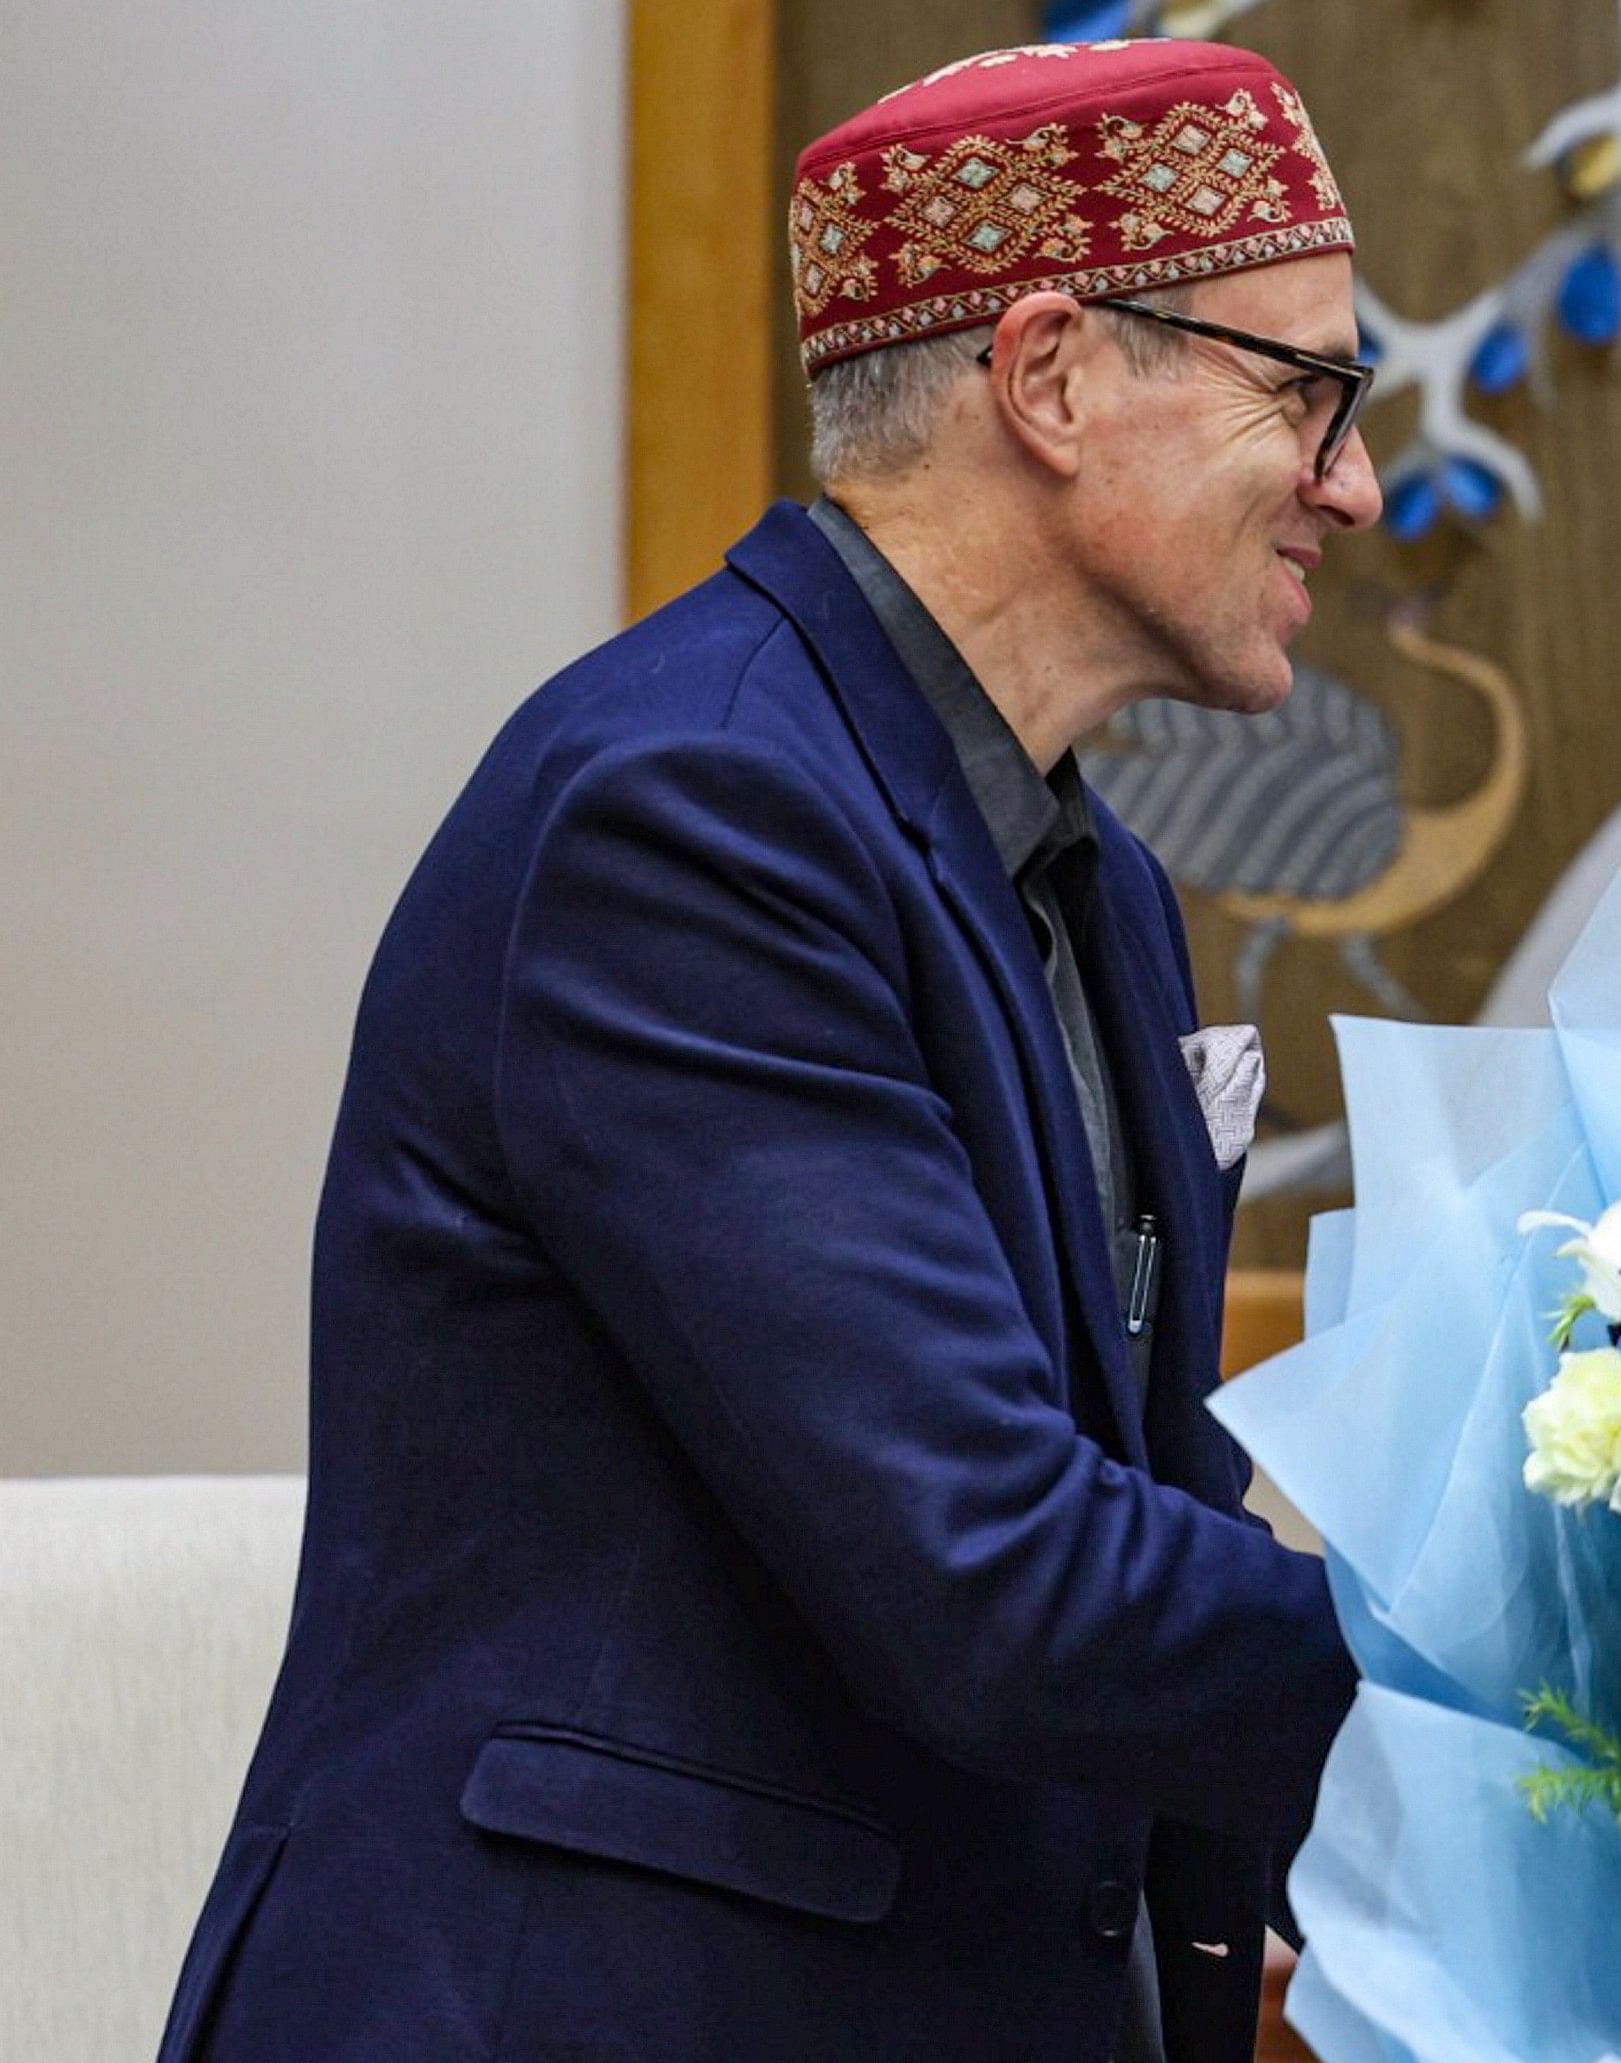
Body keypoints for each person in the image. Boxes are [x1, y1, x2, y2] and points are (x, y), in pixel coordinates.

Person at [159, 40, 1375, 2063]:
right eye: (1302, 390)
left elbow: (1117, 1515)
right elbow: (992, 1573)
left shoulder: (1102, 882)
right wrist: (1605, 1679)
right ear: (1055, 375)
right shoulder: (696, 814)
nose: (1350, 479)